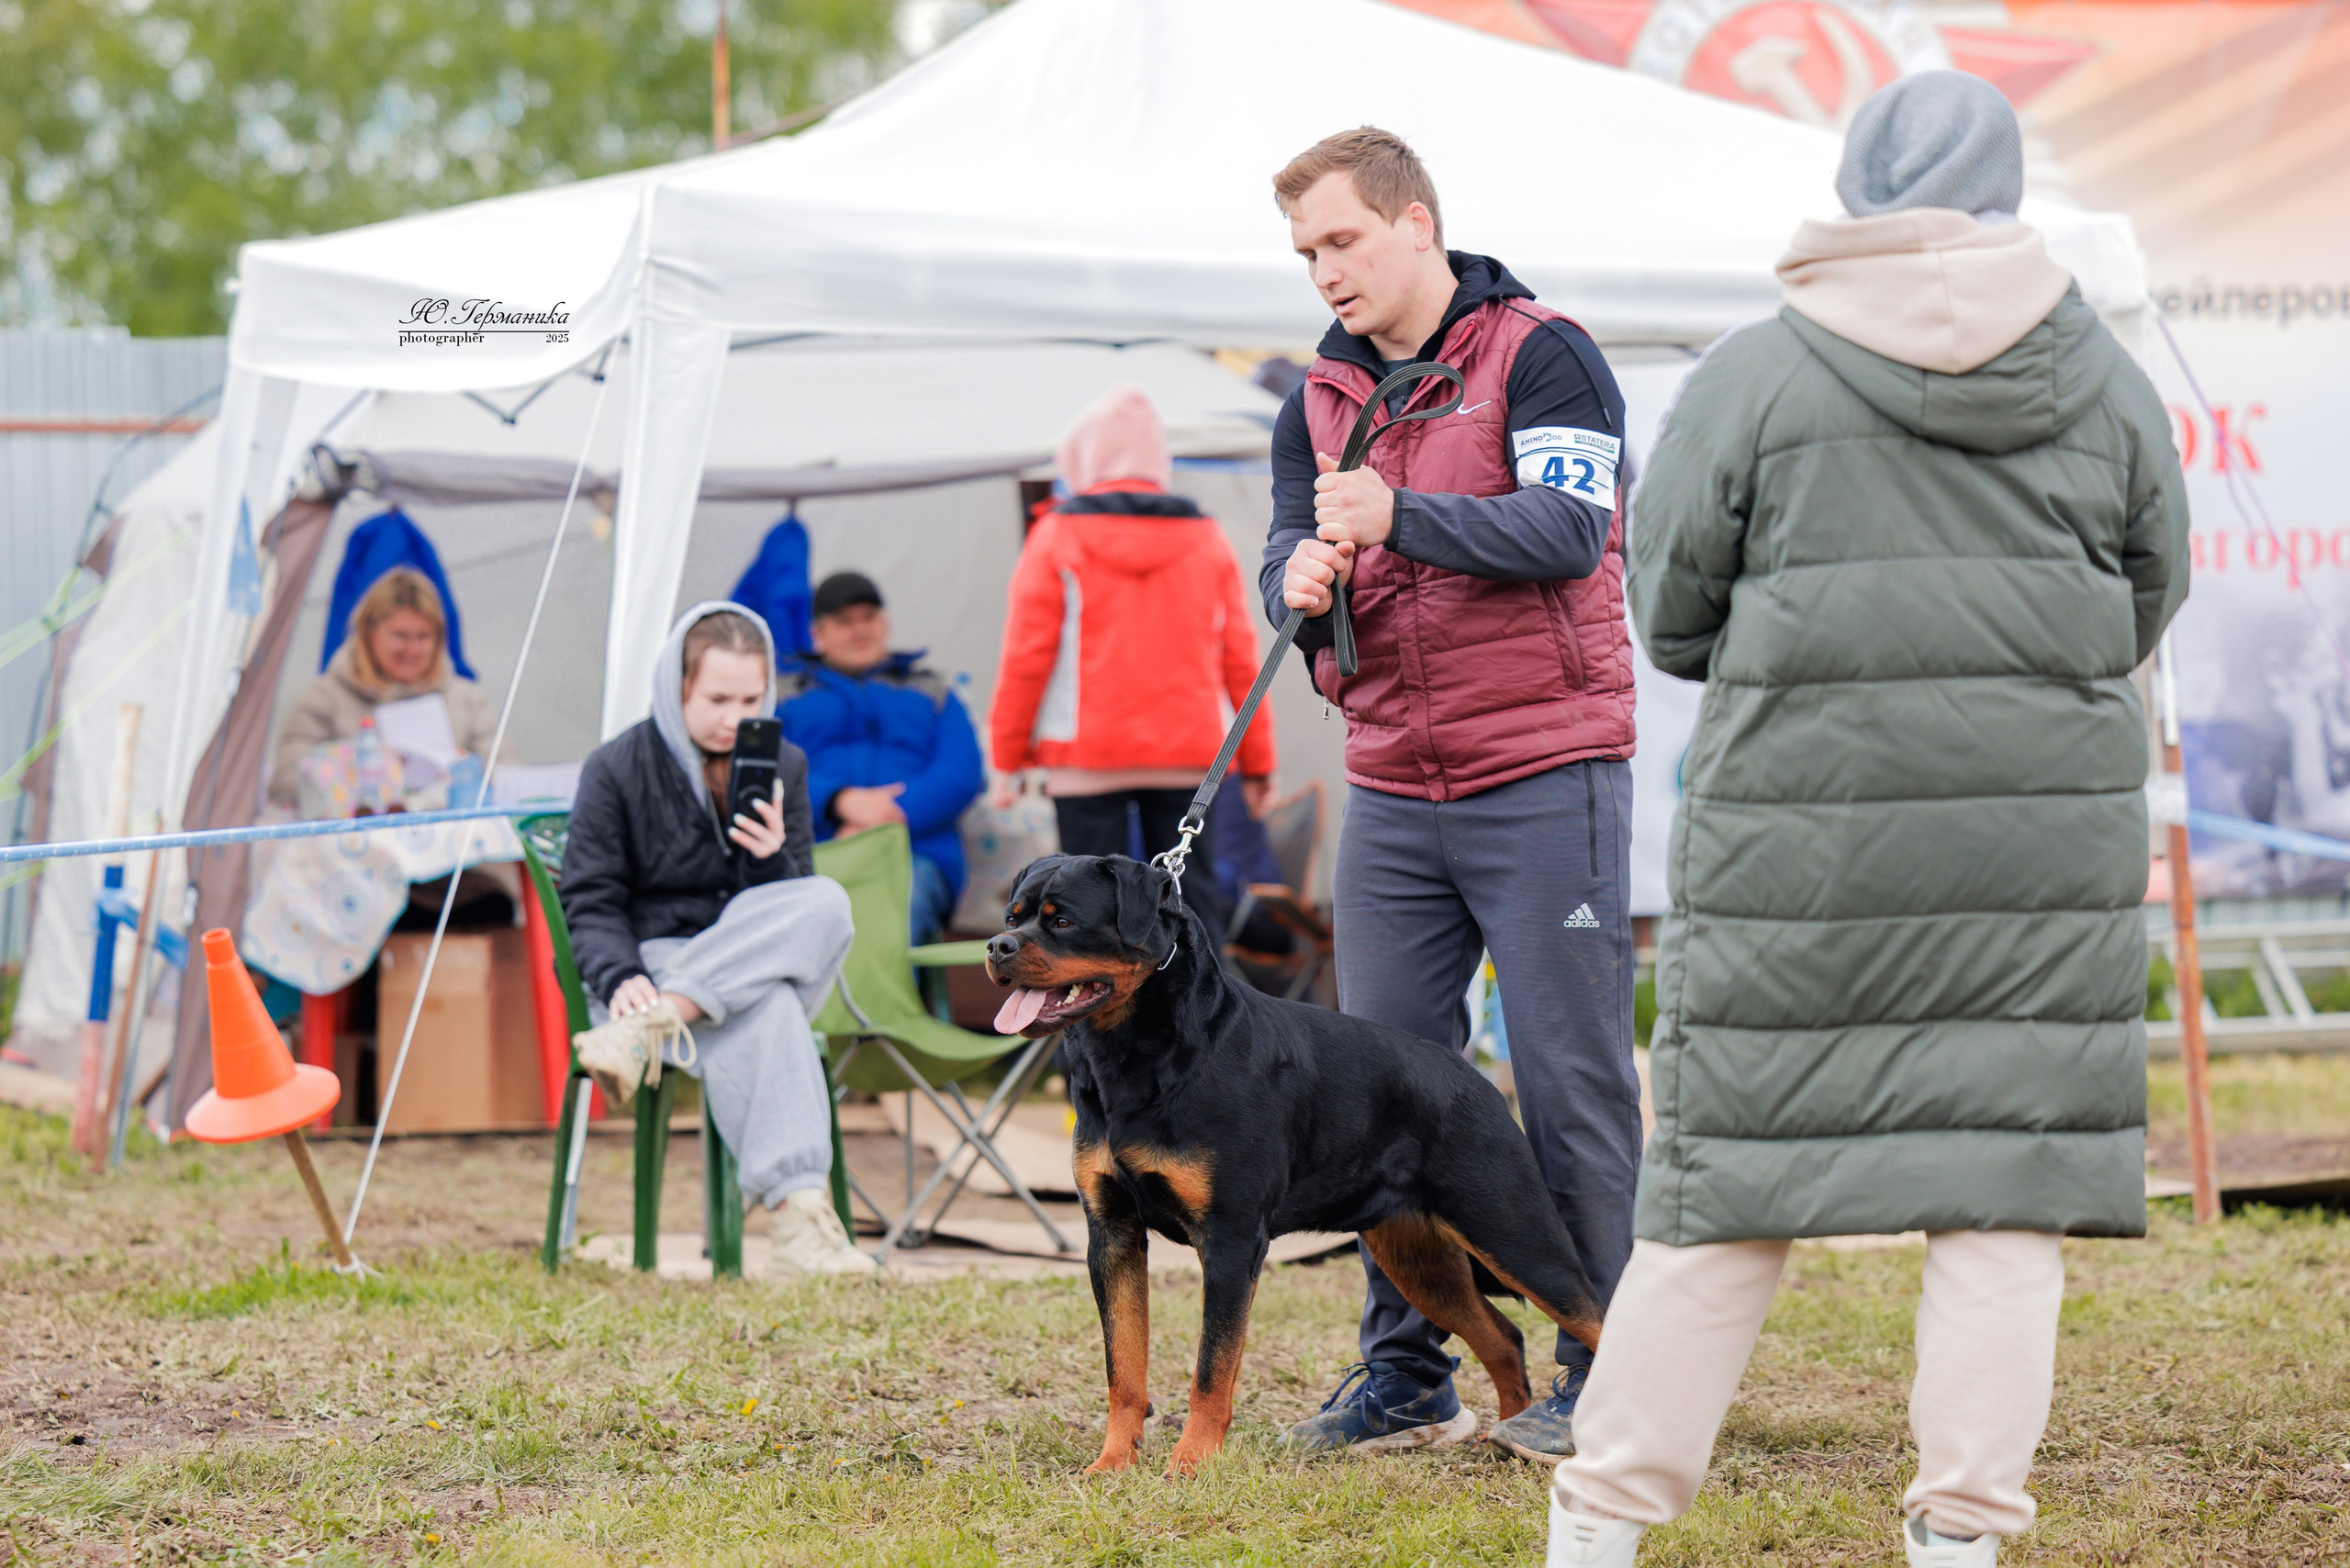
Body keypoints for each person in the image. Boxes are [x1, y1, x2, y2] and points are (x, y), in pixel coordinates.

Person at [1546, 73, 2189, 1568]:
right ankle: (1961, 1538)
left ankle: (1602, 1522)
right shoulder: (2103, 377)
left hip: (1800, 847)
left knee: (1724, 1194)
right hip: (2036, 850)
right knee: (1999, 1202)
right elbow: (2147, 596)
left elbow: (1669, 607)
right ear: (2012, 192)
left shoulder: (1759, 373)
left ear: (1850, 186)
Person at [1264, 128, 1640, 1464]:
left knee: (1569, 1085)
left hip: (1547, 774)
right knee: (1374, 1103)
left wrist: (1395, 518)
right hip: (1391, 792)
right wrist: (1298, 600)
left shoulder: (1541, 353)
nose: (1325, 272)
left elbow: (1570, 531)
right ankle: (1406, 1374)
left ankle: (1605, 1369)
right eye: (1306, 252)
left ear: (1415, 222)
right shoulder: (1314, 392)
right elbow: (1287, 545)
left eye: (1343, 241)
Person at [561, 602, 872, 1278]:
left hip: (717, 972)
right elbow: (591, 899)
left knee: (826, 902)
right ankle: (799, 1225)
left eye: (752, 697)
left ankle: (658, 1027)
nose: (736, 715)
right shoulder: (616, 767)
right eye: (717, 698)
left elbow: (793, 912)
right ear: (677, 691)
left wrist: (767, 861)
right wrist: (617, 980)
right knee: (771, 1009)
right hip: (650, 966)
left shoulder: (781, 761)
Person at [990, 384, 1277, 935]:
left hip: (1084, 759)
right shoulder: (1206, 538)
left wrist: (1007, 759)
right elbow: (1241, 659)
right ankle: (1201, 1022)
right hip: (1190, 756)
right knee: (1188, 908)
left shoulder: (1055, 536)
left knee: (1085, 916)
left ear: (1083, 457)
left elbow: (1026, 658)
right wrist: (1259, 764)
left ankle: (1095, 1020)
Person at [779, 572, 986, 944]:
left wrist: (888, 817)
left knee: (895, 912)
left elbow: (962, 772)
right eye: (844, 621)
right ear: (818, 634)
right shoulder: (783, 698)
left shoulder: (934, 691)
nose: (860, 630)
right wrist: (839, 802)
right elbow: (768, 771)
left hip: (915, 852)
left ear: (885, 624)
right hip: (813, 851)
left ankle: (886, 1004)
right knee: (796, 923)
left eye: (869, 618)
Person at [269, 566, 498, 808]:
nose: (412, 649)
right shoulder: (323, 700)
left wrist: (469, 770)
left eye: (423, 637)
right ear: (368, 632)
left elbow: (508, 775)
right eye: (400, 635)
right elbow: (287, 783)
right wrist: (355, 773)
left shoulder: (467, 700)